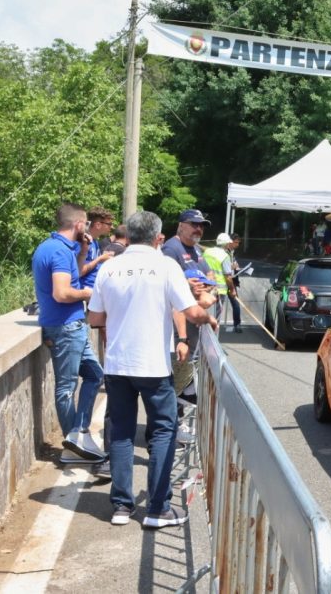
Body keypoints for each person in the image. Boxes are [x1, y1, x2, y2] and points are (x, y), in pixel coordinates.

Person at [87, 211, 217, 528]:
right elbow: (191, 311)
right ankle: (157, 509)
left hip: (117, 364)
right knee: (162, 432)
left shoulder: (109, 267)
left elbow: (94, 319)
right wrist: (209, 307)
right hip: (153, 365)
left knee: (121, 432)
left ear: (129, 235)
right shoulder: (165, 266)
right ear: (158, 237)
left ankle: (121, 506)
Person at [32, 203, 106, 462]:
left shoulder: (56, 247)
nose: (87, 228)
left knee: (95, 374)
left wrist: (84, 249)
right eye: (85, 224)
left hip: (71, 324)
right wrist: (91, 293)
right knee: (66, 387)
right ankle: (72, 444)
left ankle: (77, 434)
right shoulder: (59, 252)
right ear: (78, 224)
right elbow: (62, 293)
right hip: (64, 326)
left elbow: (73, 274)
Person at [161, 209, 216, 404]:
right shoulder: (171, 249)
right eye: (194, 224)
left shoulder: (196, 249)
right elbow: (167, 287)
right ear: (181, 225)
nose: (198, 229)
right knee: (177, 382)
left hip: (193, 327)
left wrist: (205, 290)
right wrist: (195, 294)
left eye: (201, 225)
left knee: (189, 381)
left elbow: (210, 275)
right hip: (179, 330)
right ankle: (172, 428)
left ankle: (179, 425)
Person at [79, 207, 116, 289]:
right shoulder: (84, 241)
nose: (112, 227)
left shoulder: (94, 241)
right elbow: (79, 271)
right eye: (109, 224)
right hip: (85, 293)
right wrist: (100, 259)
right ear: (98, 225)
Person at [203, 233, 236, 323]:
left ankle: (204, 336)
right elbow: (228, 277)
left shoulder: (207, 252)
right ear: (226, 244)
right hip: (219, 292)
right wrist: (232, 290)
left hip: (205, 288)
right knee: (215, 318)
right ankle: (213, 336)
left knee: (205, 315)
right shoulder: (224, 256)